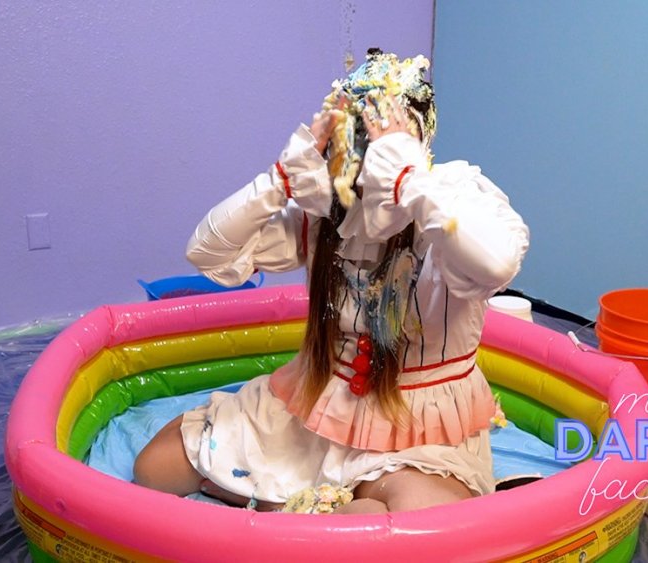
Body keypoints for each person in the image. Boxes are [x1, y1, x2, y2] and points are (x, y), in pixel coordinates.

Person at [133, 49, 530, 514]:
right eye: (352, 135)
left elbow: (496, 264)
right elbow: (209, 252)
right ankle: (302, 503)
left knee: (401, 521)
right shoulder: (329, 214)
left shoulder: (450, 200)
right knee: (154, 468)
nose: (364, 151)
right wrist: (279, 180)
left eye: (381, 134)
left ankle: (315, 508)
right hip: (319, 406)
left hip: (416, 429)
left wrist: (407, 179)